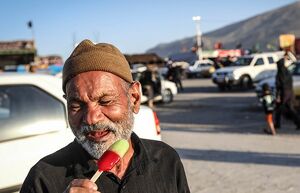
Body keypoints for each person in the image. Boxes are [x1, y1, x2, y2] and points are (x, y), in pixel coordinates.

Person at [20, 39, 190, 193]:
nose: (91, 118)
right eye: (76, 106)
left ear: (134, 98)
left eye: (105, 101)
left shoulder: (166, 160)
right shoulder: (42, 180)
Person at [274, 56, 300, 130]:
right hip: (290, 93)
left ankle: (277, 124)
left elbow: (279, 85)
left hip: (284, 93)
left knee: (279, 109)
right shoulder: (287, 73)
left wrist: (278, 96)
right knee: (291, 109)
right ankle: (298, 123)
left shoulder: (280, 74)